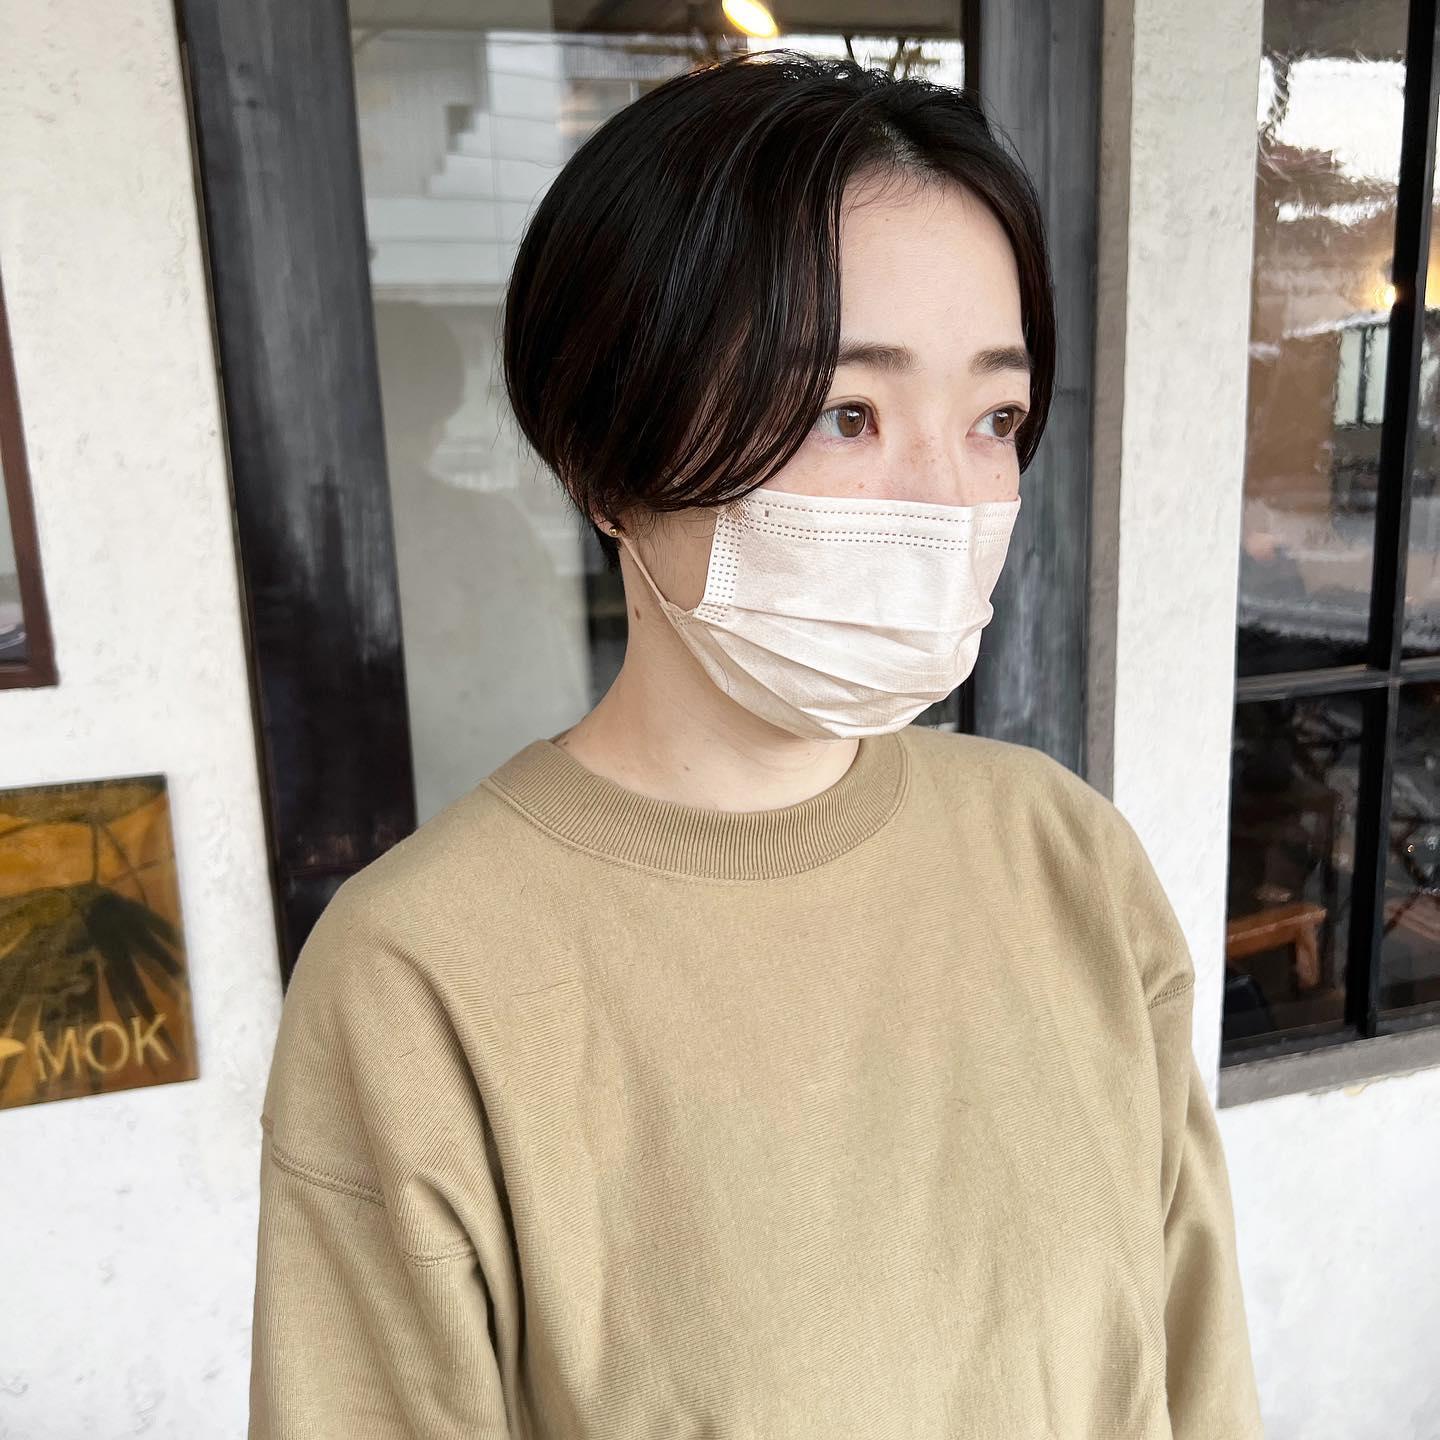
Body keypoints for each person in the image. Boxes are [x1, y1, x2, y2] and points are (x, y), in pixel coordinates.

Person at [248, 49, 1265, 1440]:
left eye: (996, 419)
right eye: (848, 413)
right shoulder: (416, 978)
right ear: (608, 459)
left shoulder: (1065, 854)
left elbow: (1198, 1374)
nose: (947, 501)